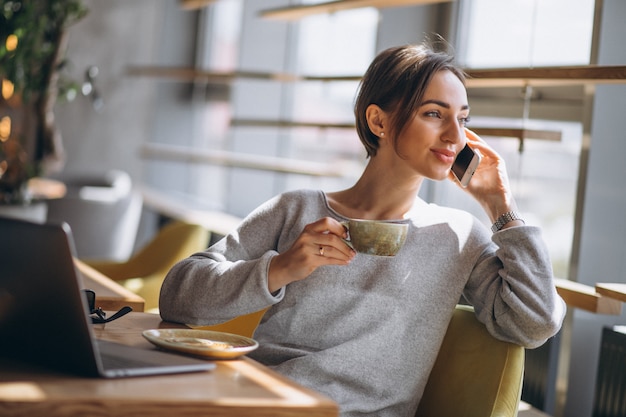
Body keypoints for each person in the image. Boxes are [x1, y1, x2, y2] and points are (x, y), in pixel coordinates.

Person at [159, 41, 566, 417]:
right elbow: (178, 295)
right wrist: (278, 269)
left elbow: (536, 322)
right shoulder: (297, 209)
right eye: (433, 114)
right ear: (378, 121)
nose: (455, 137)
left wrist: (501, 206)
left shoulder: (459, 237)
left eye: (462, 119)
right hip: (256, 402)